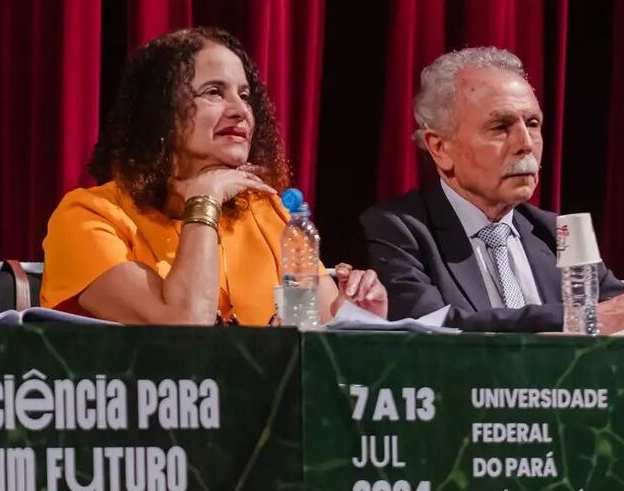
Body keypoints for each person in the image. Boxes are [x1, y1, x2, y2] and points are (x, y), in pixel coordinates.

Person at [41, 27, 386, 326]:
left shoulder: (265, 213)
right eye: (214, 92)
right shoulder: (85, 219)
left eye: (245, 95)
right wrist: (203, 203)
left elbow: (316, 336)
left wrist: (356, 318)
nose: (240, 110)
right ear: (161, 114)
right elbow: (185, 327)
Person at [361, 47, 624, 333]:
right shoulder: (398, 229)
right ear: (440, 148)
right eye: (500, 127)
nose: (526, 144)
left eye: (532, 123)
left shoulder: (553, 231)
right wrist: (576, 318)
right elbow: (431, 326)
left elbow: (617, 307)